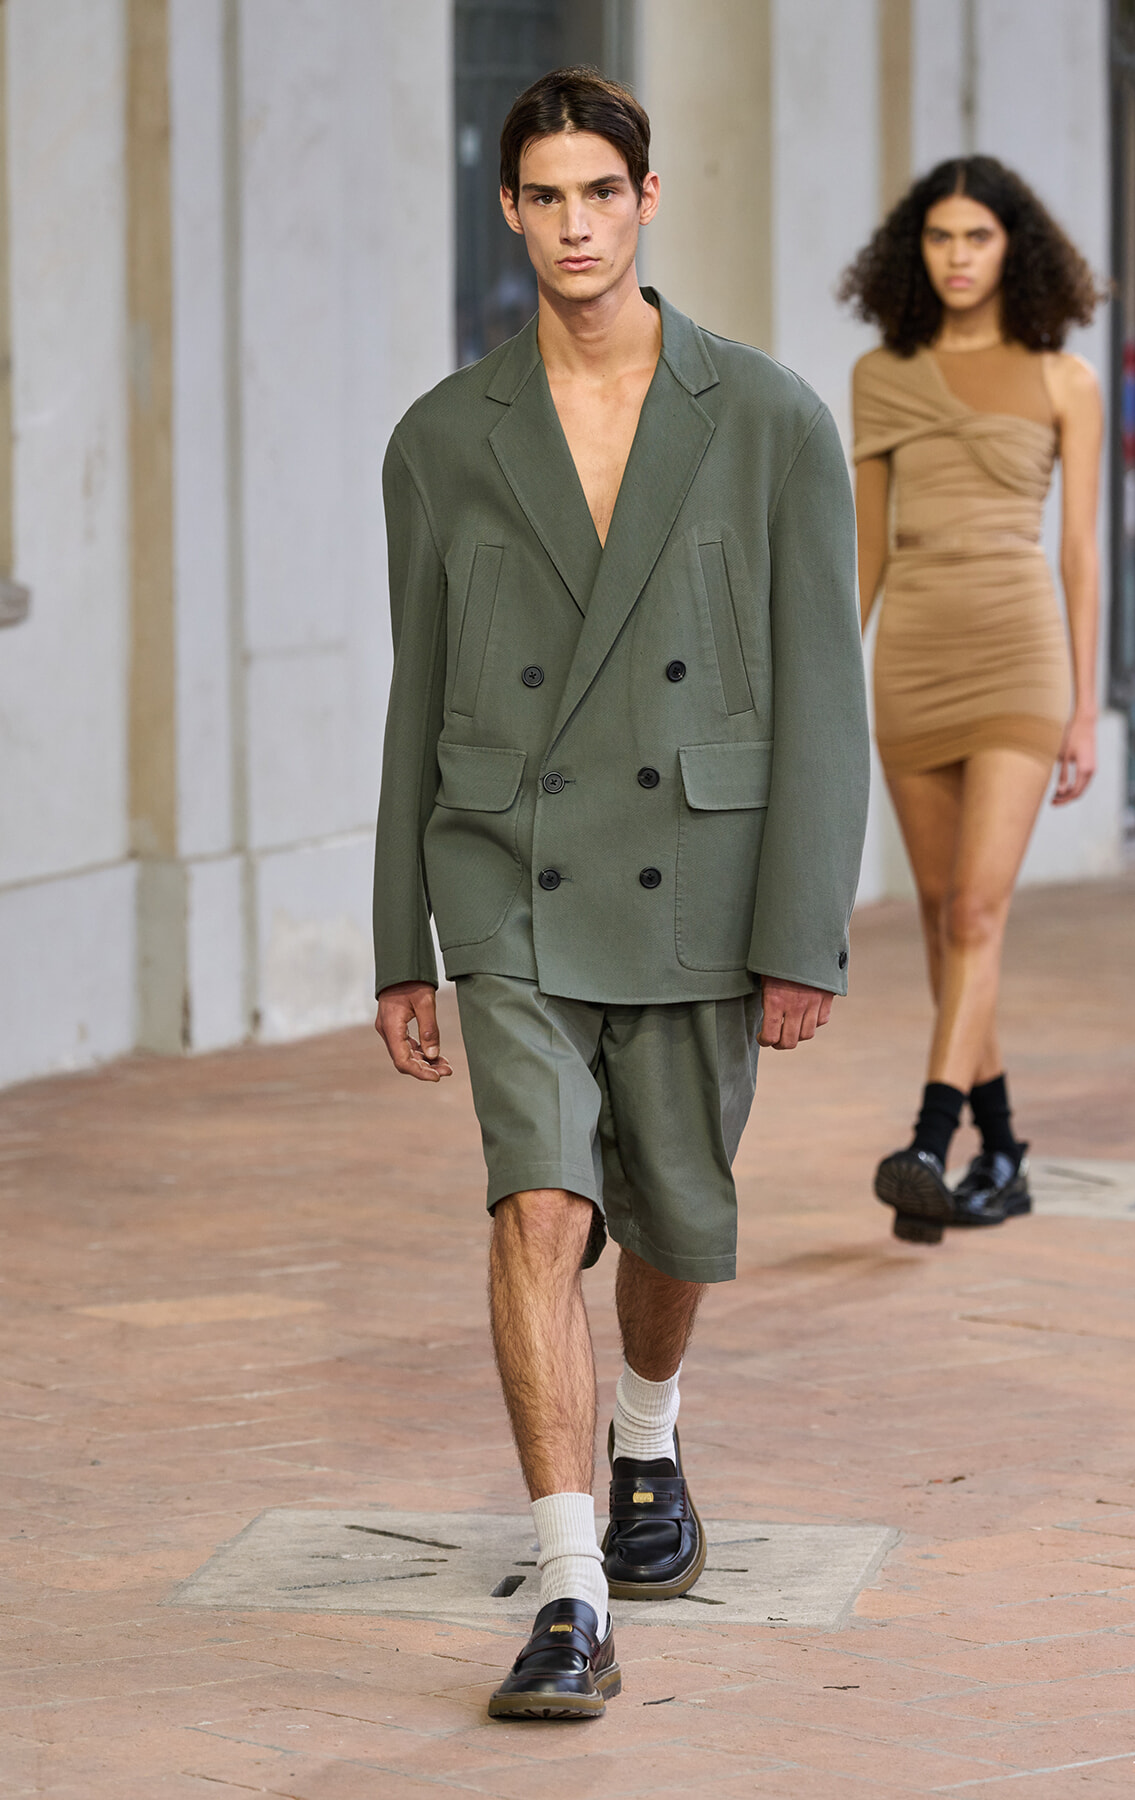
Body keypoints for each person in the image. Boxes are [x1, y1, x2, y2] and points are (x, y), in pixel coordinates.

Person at [372, 67, 868, 1720]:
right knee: (539, 1204)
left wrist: (805, 930)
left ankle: (648, 1431)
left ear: (646, 200)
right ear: (507, 211)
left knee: (672, 1214)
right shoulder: (445, 440)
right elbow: (417, 692)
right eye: (545, 196)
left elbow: (820, 698)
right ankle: (574, 1588)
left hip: (698, 884)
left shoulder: (774, 417)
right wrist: (401, 944)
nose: (576, 224)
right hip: (505, 869)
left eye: (603, 191)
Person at [840, 157, 1104, 1245]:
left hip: (1018, 659)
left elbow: (1081, 553)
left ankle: (928, 1142)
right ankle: (1004, 1153)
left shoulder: (1062, 378)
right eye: (940, 238)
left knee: (980, 912)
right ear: (918, 249)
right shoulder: (879, 374)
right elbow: (863, 550)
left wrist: (1085, 709)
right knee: (950, 921)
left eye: (977, 238)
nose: (956, 257)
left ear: (1014, 249)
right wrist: (814, 686)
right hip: (912, 661)